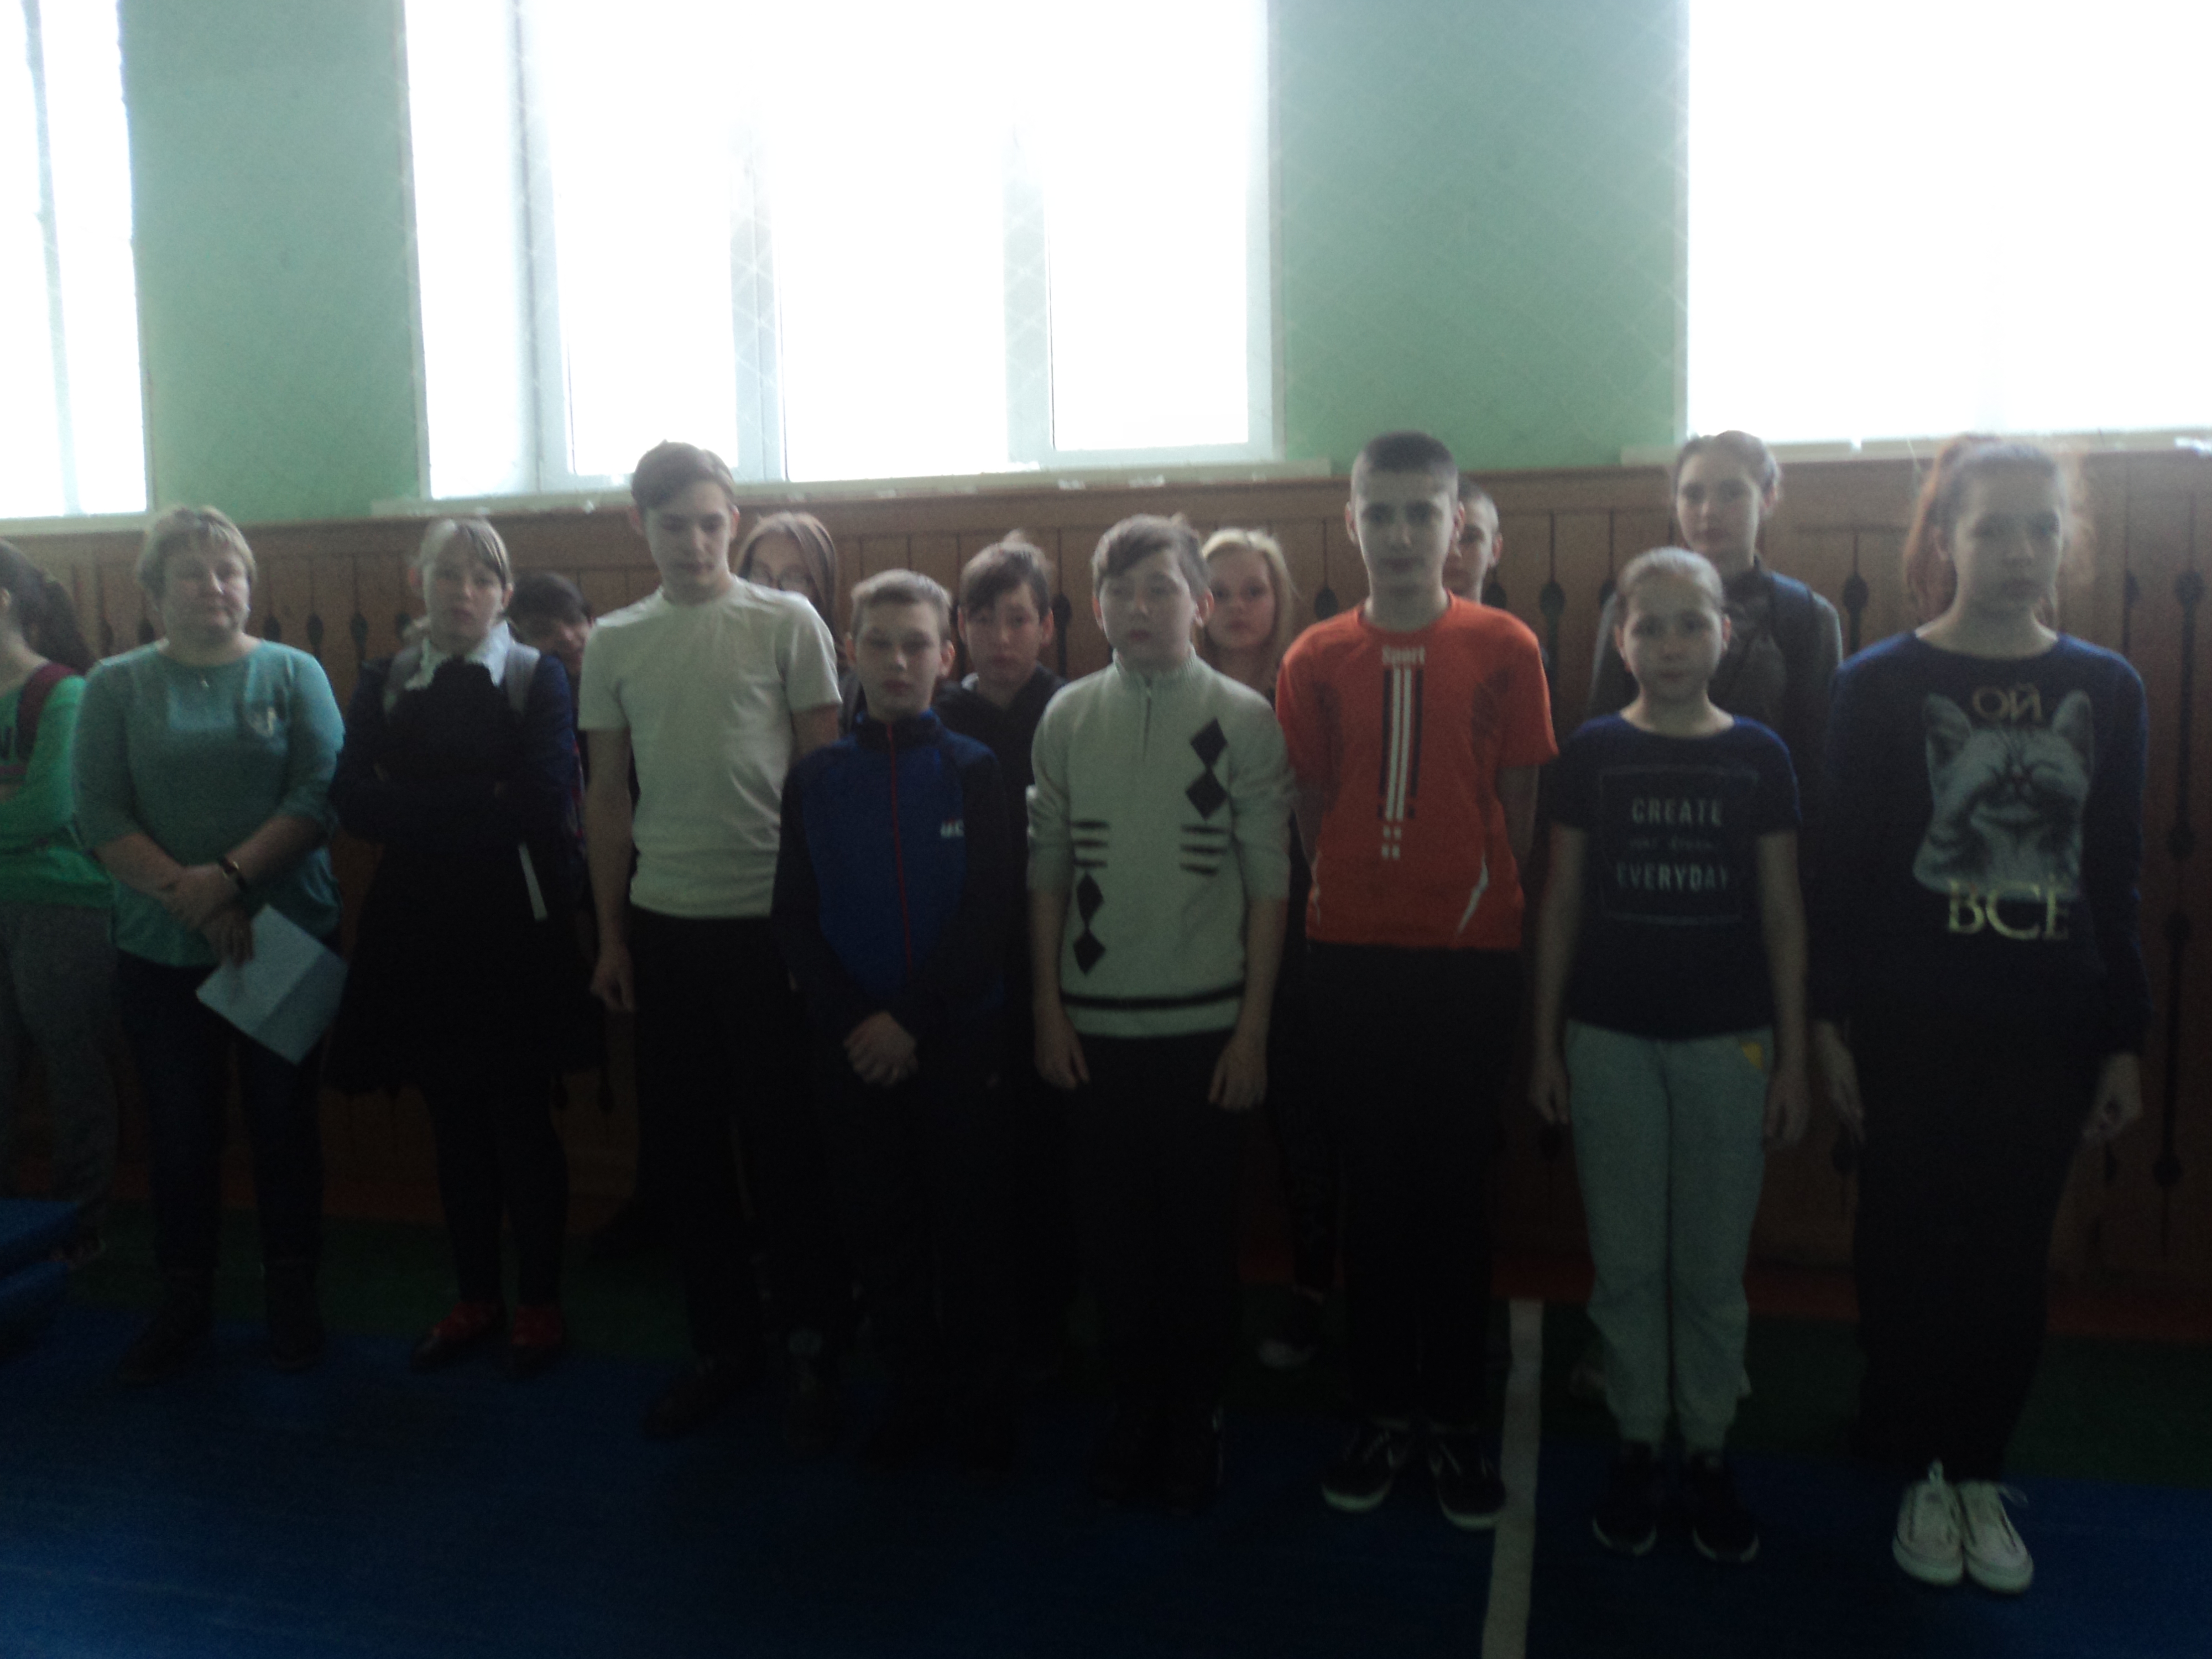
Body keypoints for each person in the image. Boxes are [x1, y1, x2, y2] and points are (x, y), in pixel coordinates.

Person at [1812, 437, 2147, 1595]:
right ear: (1945, 539)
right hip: (1909, 1020)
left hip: (2045, 1024)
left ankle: (1976, 1471)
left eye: (2040, 528)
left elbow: (2114, 877)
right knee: (1905, 1243)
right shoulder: (1876, 684)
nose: (2018, 551)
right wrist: (1827, 1022)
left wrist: (2122, 1038)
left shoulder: (2108, 688)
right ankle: (1914, 1460)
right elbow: (1842, 872)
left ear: (2067, 540)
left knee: (2008, 1255)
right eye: (1992, 527)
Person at [1274, 430, 1556, 1530]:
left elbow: (1518, 805)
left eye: (1420, 513)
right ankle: (1380, 1410)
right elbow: (1310, 804)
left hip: (1467, 961)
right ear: (1351, 523)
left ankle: (1453, 1418)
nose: (1399, 534)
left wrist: (1465, 897)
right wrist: (1358, 891)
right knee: (1374, 1193)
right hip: (1348, 957)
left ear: (1456, 525)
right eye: (1379, 514)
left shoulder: (1505, 646)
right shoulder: (1312, 658)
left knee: (1450, 1192)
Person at [1528, 547, 1808, 1565]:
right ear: (1621, 641)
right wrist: (1547, 1041)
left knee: (1709, 1267)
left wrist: (1792, 1058)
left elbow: (1782, 914)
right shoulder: (1591, 752)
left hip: (1731, 1043)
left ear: (1725, 635)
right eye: (1650, 626)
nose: (1673, 643)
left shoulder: (1762, 757)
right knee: (1629, 1261)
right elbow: (1562, 902)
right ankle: (1639, 1441)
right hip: (1609, 1041)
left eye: (1693, 623)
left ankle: (1709, 1448)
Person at [579, 442, 850, 1442]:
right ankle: (723, 1348)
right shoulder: (616, 641)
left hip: (771, 927)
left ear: (732, 522)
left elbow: (825, 787)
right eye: (672, 525)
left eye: (709, 523)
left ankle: (813, 1344)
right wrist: (612, 936)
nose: (694, 543)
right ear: (639, 527)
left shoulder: (787, 623)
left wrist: (821, 935)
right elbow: (607, 798)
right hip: (667, 926)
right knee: (690, 1156)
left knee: (788, 1150)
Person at [1029, 513, 1292, 1513]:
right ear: (1095, 609)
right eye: (1121, 592)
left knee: (1195, 1239)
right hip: (1094, 1033)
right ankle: (1135, 1407)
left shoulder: (1245, 719)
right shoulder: (1067, 717)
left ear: (1201, 604)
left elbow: (1270, 882)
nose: (1140, 609)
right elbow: (1049, 868)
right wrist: (1049, 1010)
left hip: (1205, 1034)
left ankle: (1197, 1412)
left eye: (1162, 589)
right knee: (1113, 1239)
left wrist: (1253, 1030)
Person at [72, 507, 345, 1383]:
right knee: (181, 1133)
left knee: (283, 1125)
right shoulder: (115, 685)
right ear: (153, 594)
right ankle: (184, 1300)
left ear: (249, 585)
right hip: (162, 949)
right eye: (191, 574)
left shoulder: (294, 672)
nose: (213, 587)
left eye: (228, 571)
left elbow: (318, 798)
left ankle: (292, 1290)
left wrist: (227, 880)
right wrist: (194, 901)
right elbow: (99, 815)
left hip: (284, 935)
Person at [327, 519, 592, 1380]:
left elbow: (541, 800)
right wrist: (481, 799)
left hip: (513, 929)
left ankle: (540, 1302)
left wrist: (419, 808)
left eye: (482, 579)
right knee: (453, 1125)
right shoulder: (384, 679)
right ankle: (476, 1295)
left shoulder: (537, 676)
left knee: (520, 1122)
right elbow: (351, 801)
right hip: (418, 931)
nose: (464, 593)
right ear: (419, 581)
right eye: (448, 575)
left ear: (505, 594)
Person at [773, 569, 1015, 1473]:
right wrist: (857, 1024)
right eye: (880, 644)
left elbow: (992, 908)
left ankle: (984, 1406)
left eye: (918, 645)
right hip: (851, 1049)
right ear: (851, 653)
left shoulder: (973, 770)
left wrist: (910, 1019)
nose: (899, 662)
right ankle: (914, 1393)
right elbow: (794, 916)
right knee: (883, 1232)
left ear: (946, 656)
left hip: (957, 1040)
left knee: (973, 1233)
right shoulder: (815, 779)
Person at [932, 534, 1067, 1381]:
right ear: (960, 627)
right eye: (984, 620)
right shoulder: (938, 719)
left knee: (1051, 1142)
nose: (1003, 638)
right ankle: (980, 1312)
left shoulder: (1074, 709)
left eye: (1019, 619)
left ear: (1047, 626)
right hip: (966, 964)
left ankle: (1049, 1311)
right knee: (975, 1148)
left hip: (1060, 962)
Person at [1199, 528, 1332, 1371]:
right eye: (1221, 592)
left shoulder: (1306, 686)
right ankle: (1198, 1296)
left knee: (1304, 1124)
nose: (1239, 608)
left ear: (1279, 599)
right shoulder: (1175, 690)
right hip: (1197, 931)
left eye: (1255, 590)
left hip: (1298, 931)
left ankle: (1312, 1294)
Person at [1585, 432, 1840, 831]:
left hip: (1759, 833)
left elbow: (1815, 761)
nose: (1709, 511)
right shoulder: (1631, 606)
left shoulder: (1806, 615)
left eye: (1731, 493)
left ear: (1767, 498)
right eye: (1692, 495)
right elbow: (1602, 737)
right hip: (1644, 827)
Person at [0, 543, 116, 1261]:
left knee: (75, 1071)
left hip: (61, 905)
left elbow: (45, 811)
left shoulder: (64, 693)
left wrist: (17, 801)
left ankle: (81, 1225)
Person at [736, 512, 859, 724]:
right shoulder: (723, 658)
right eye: (761, 574)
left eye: (794, 577)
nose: (774, 590)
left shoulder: (848, 687)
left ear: (819, 589)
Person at [1445, 480, 1503, 603]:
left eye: (1469, 538)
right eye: (1445, 539)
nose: (1454, 552)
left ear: (1495, 550)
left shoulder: (1507, 619)